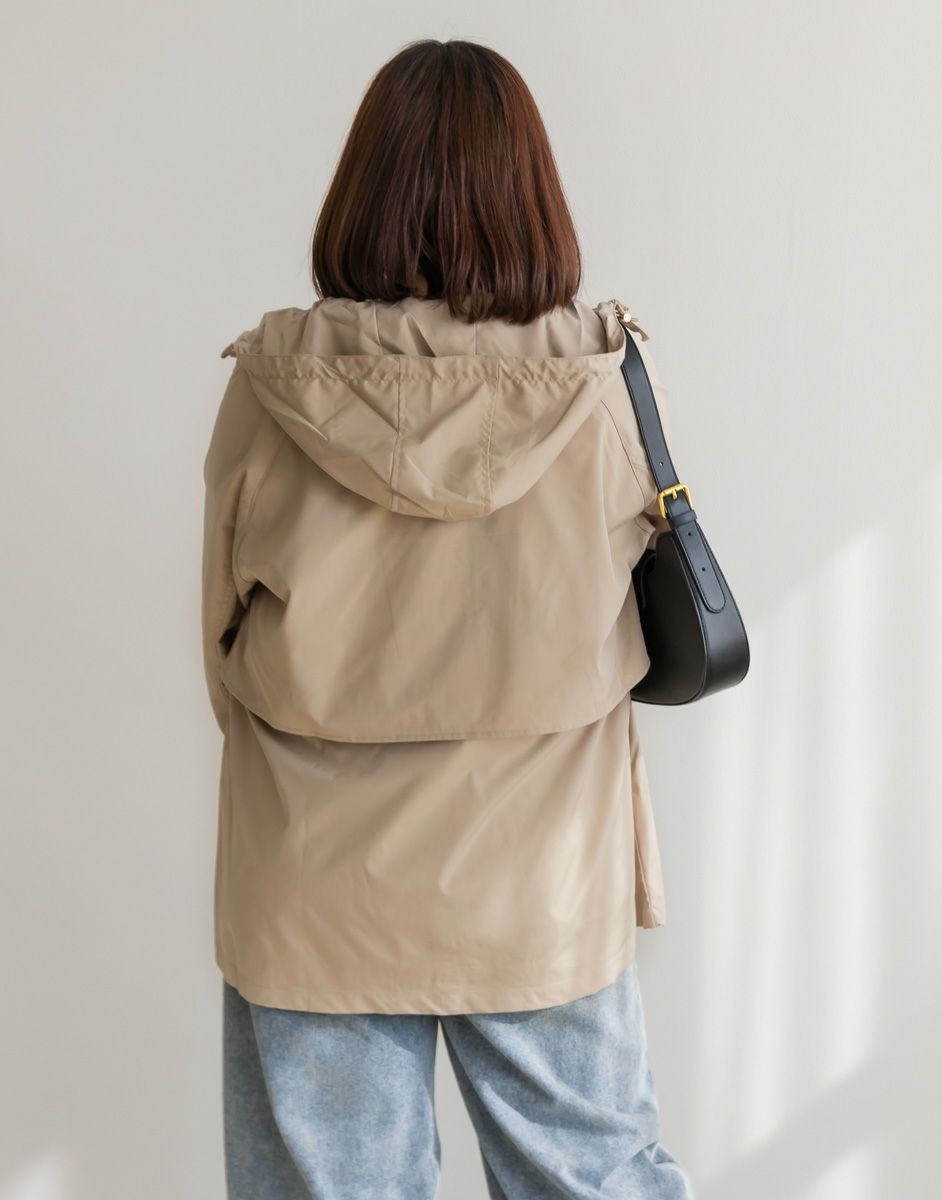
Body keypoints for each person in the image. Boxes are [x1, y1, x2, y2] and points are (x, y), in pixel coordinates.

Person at [202, 36, 694, 1200]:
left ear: (359, 190)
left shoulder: (270, 386)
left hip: (315, 875)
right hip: (543, 872)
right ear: (531, 195)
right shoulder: (604, 382)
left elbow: (222, 642)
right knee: (596, 1180)